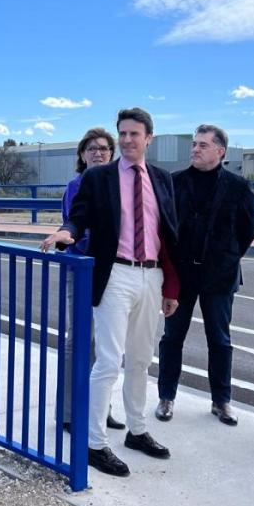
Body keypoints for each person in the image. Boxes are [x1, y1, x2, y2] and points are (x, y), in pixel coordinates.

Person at [40, 108, 179, 478]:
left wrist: (171, 285)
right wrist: (65, 232)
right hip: (115, 274)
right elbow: (78, 216)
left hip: (151, 277)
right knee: (107, 361)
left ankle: (137, 430)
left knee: (140, 360)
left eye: (135, 134)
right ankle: (95, 444)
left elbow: (168, 236)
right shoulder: (100, 178)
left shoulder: (163, 180)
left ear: (149, 138)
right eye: (123, 134)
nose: (128, 140)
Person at [155, 124, 254, 426]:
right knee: (172, 337)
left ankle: (221, 401)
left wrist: (225, 257)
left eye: (202, 145)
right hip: (182, 275)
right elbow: (164, 227)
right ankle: (166, 397)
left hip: (219, 276)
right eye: (194, 144)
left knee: (220, 339)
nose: (195, 149)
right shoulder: (174, 183)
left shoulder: (238, 187)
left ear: (220, 151)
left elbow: (247, 231)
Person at [59, 127, 123, 434]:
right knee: (80, 339)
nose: (99, 153)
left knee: (107, 345)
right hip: (84, 267)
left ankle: (101, 408)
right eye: (92, 148)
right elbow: (76, 227)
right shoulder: (77, 184)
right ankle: (70, 412)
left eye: (105, 148)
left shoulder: (120, 184)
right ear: (82, 155)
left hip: (112, 271)